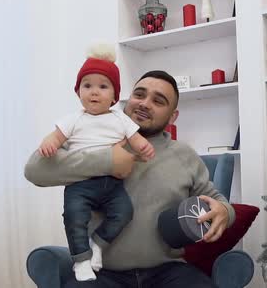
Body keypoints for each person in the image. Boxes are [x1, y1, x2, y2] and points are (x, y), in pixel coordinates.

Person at [25, 70, 235, 288]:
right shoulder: (90, 139)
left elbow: (217, 201)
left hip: (167, 271)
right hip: (102, 272)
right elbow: (34, 169)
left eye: (158, 101)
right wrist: (108, 161)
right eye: (139, 94)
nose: (144, 103)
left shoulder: (184, 155)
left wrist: (223, 211)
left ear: (173, 116)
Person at [36, 44, 155, 281]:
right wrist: (49, 142)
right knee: (73, 216)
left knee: (124, 212)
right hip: (80, 183)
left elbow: (135, 137)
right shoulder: (73, 119)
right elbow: (56, 137)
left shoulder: (120, 118)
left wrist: (143, 146)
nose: (94, 92)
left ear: (114, 96)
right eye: (87, 86)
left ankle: (98, 244)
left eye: (103, 86)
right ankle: (81, 260)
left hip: (112, 183)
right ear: (78, 91)